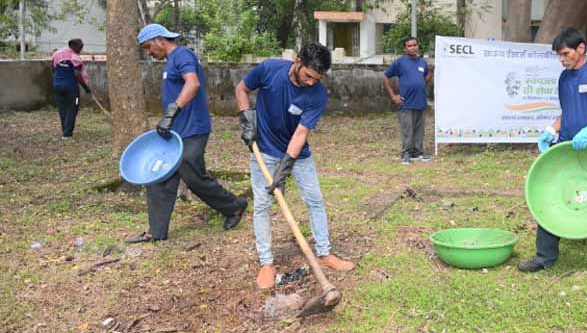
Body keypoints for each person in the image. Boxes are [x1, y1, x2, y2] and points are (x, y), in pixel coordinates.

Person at [236, 42, 355, 289]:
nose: (312, 82)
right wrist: (246, 117)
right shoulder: (269, 69)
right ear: (298, 62)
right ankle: (266, 263)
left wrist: (286, 166)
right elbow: (242, 88)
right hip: (264, 151)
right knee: (262, 204)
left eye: (317, 78)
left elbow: (301, 133)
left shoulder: (318, 94)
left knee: (315, 200)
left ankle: (324, 254)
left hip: (298, 154)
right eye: (309, 76)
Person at [127, 24, 246, 243]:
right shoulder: (171, 61)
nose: (149, 53)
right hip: (177, 130)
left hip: (193, 128)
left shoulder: (181, 55)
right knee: (160, 176)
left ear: (159, 40)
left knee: (192, 174)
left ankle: (234, 206)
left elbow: (192, 84)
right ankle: (157, 231)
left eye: (148, 47)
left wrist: (171, 112)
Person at [518, 28, 587, 272]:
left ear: (581, 48)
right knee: (551, 192)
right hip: (567, 146)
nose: (562, 59)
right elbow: (567, 112)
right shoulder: (564, 78)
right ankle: (545, 257)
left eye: (565, 53)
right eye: (559, 55)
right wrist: (551, 130)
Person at [384, 37, 434, 164]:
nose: (412, 47)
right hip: (406, 103)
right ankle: (406, 154)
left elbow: (423, 82)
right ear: (405, 48)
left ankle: (418, 153)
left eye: (414, 45)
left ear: (418, 46)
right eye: (409, 46)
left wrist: (430, 74)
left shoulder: (422, 62)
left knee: (419, 130)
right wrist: (393, 96)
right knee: (408, 130)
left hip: (420, 102)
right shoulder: (400, 62)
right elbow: (386, 76)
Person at [51, 38, 92, 138]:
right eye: (79, 47)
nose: (80, 50)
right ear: (73, 46)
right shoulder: (75, 57)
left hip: (57, 86)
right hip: (71, 88)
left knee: (62, 108)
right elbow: (77, 74)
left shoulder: (56, 54)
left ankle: (65, 130)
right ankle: (67, 134)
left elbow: (53, 68)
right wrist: (86, 88)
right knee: (73, 108)